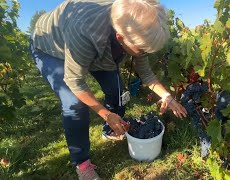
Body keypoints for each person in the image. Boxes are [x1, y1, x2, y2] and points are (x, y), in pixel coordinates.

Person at [30, 0, 187, 179]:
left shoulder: (133, 28)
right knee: (74, 104)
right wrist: (105, 113)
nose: (144, 53)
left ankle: (110, 128)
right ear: (120, 38)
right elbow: (75, 81)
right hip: (50, 48)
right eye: (142, 49)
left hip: (96, 45)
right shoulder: (85, 28)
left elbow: (146, 73)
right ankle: (82, 163)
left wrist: (168, 96)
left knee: (115, 88)